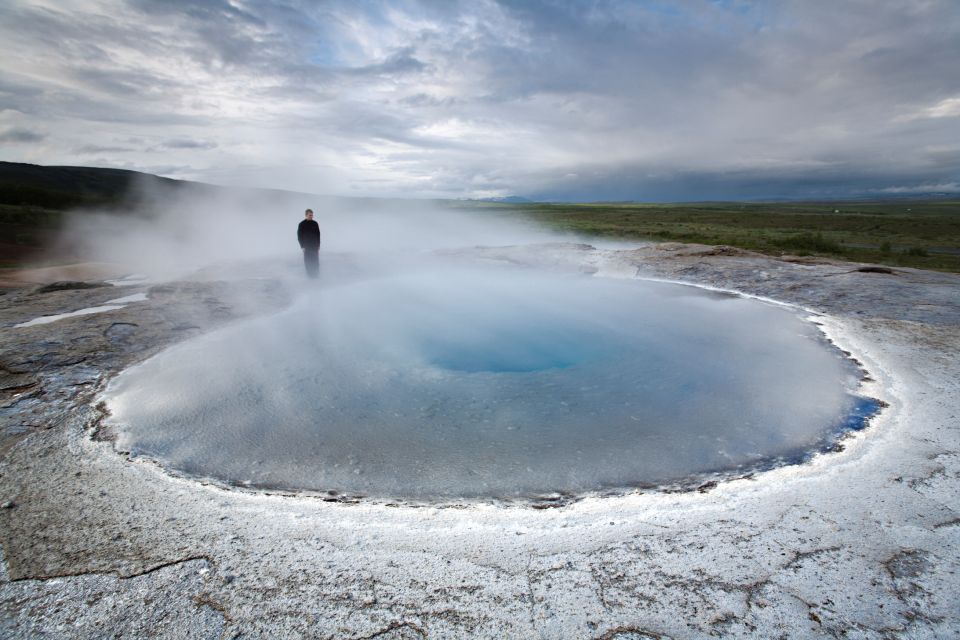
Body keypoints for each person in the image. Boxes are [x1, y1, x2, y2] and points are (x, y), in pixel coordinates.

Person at [297, 208, 321, 278]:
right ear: (306, 215)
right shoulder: (301, 224)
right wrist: (302, 246)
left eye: (312, 215)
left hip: (315, 246)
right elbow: (299, 236)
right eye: (310, 215)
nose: (311, 216)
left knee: (315, 261)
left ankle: (316, 275)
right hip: (306, 246)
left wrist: (318, 245)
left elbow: (318, 234)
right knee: (308, 261)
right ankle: (310, 276)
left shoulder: (315, 223)